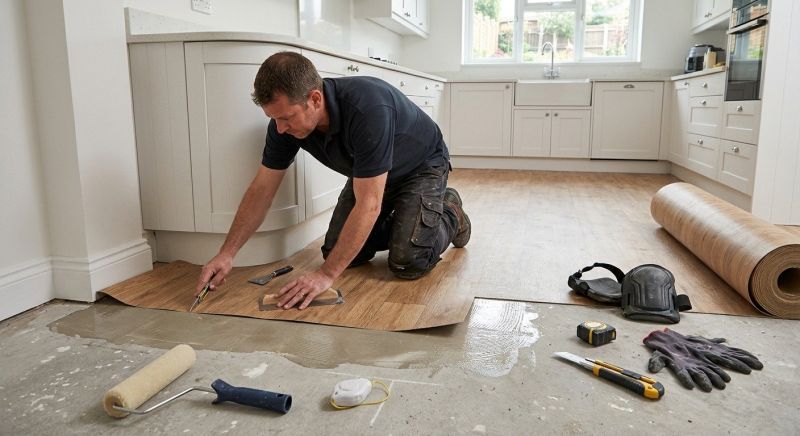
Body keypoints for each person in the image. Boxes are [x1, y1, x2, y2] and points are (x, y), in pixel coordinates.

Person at [195, 51, 470, 310]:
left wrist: (325, 276)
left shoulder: (368, 108)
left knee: (408, 261)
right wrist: (227, 253)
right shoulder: (282, 126)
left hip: (420, 166)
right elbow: (262, 189)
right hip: (370, 175)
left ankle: (449, 211)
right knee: (338, 251)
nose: (280, 129)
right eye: (273, 119)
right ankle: (410, 222)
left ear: (315, 99)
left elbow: (369, 205)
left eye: (286, 118)